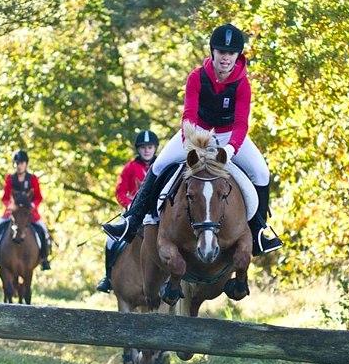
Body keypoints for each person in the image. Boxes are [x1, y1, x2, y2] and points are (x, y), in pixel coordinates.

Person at [103, 23, 282, 256]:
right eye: (221, 52)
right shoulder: (197, 77)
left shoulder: (242, 84)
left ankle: (259, 231)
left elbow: (240, 124)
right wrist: (194, 143)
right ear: (213, 52)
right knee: (158, 165)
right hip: (197, 132)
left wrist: (229, 149)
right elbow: (189, 115)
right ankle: (131, 220)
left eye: (230, 53)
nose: (225, 58)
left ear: (237, 55)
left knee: (261, 173)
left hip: (230, 135)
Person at [96, 130, 159, 293]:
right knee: (111, 240)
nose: (147, 150)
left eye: (150, 147)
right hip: (133, 213)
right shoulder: (130, 167)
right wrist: (129, 204)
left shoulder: (162, 165)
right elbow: (120, 191)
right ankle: (108, 277)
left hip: (156, 215)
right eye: (143, 147)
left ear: (155, 148)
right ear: (138, 149)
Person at [0, 150, 51, 270]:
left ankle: (44, 258)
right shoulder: (10, 178)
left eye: (21, 163)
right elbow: (5, 197)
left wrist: (32, 205)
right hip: (13, 212)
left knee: (43, 229)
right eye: (16, 163)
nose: (19, 165)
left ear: (26, 164)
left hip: (29, 213)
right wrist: (11, 205)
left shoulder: (33, 179)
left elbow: (38, 197)